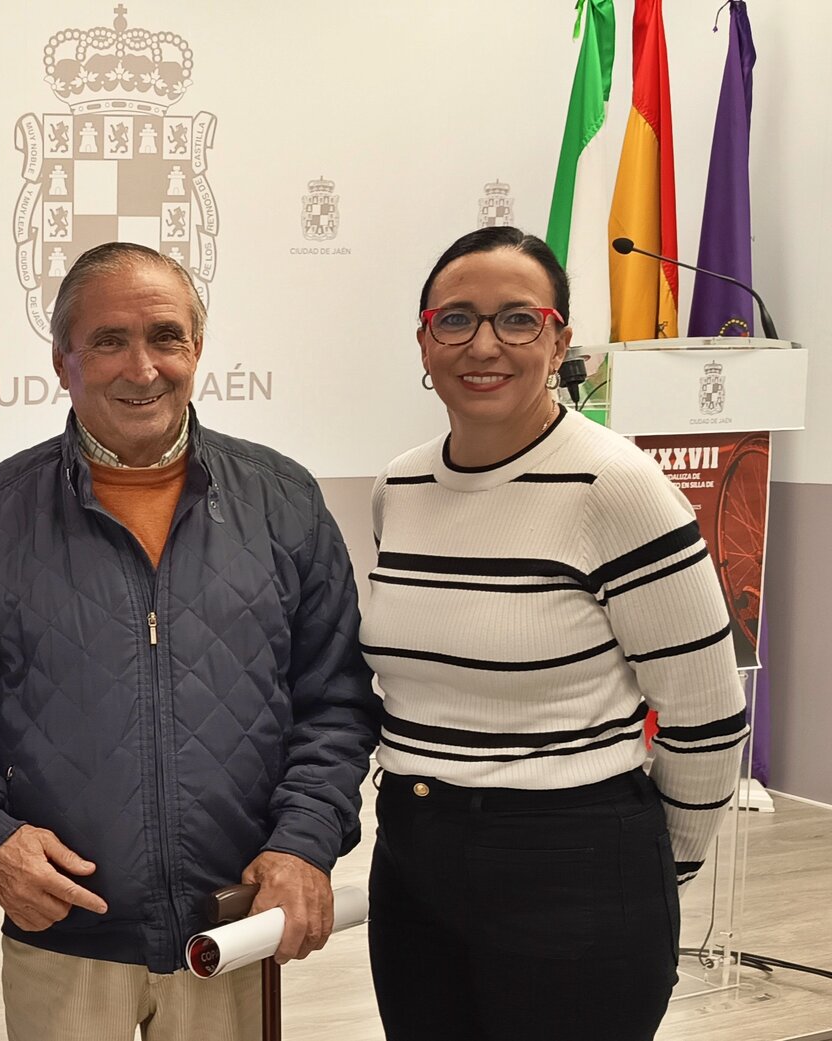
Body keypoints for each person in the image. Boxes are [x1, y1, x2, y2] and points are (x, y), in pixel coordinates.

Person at [0, 241, 378, 1041]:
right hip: (64, 932)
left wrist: (304, 843)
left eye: (166, 337)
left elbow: (334, 701)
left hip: (231, 930)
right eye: (108, 340)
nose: (143, 366)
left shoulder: (284, 503)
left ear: (197, 349)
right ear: (63, 359)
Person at [361, 226, 746, 1040]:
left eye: (517, 319)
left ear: (559, 338)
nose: (485, 344)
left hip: (574, 864)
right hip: (413, 854)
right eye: (456, 319)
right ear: (426, 341)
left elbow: (708, 715)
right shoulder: (399, 485)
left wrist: (651, 869)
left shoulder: (618, 485)